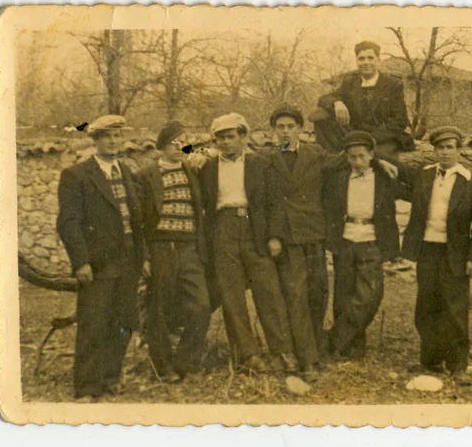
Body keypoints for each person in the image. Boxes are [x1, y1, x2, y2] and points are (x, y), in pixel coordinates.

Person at [199, 112, 298, 374]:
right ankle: (247, 354)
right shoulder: (207, 167)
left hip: (255, 229)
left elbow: (275, 202)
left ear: (243, 137)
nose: (226, 142)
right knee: (231, 295)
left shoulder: (260, 163)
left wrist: (275, 236)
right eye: (220, 138)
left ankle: (282, 351)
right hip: (223, 230)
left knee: (268, 290)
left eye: (231, 137)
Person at [57, 115, 145, 401]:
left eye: (118, 136)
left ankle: (110, 379)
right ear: (94, 140)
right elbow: (69, 223)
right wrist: (81, 261)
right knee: (94, 323)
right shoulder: (77, 175)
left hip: (128, 260)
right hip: (98, 263)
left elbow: (136, 219)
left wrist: (142, 258)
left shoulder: (127, 173)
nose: (113, 141)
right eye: (107, 136)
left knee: (123, 321)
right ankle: (86, 386)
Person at [399, 126, 472, 384]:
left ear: (458, 150)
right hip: (428, 249)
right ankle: (430, 361)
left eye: (450, 147)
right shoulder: (424, 175)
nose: (445, 153)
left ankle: (458, 365)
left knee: (455, 308)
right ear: (434, 150)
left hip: (456, 254)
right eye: (441, 147)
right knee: (426, 305)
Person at [138, 121, 211, 382]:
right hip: (161, 248)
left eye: (184, 142)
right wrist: (145, 256)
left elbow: (214, 155)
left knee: (202, 305)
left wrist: (202, 156)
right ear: (161, 147)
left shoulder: (192, 171)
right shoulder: (146, 175)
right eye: (174, 143)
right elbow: (139, 222)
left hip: (190, 247)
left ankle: (186, 362)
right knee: (159, 308)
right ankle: (163, 366)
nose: (181, 147)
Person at [265, 105, 331, 382]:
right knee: (296, 296)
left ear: (301, 130)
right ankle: (307, 360)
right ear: (273, 130)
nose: (285, 131)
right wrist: (273, 236)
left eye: (291, 126)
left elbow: (347, 160)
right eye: (280, 127)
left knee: (318, 293)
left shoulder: (315, 154)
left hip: (314, 234)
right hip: (287, 238)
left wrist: (382, 161)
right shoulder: (264, 159)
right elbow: (264, 203)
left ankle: (315, 349)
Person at [322, 131, 400, 360]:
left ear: (371, 155)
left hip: (372, 240)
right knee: (344, 294)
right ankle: (351, 348)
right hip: (345, 239)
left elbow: (411, 175)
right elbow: (326, 166)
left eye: (362, 157)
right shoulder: (338, 176)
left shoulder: (384, 175)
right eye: (352, 157)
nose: (357, 162)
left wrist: (379, 162)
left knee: (370, 295)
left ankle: (333, 339)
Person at [312, 41, 410, 159]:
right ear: (357, 61)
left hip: (382, 139)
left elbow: (400, 120)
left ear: (378, 60)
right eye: (361, 59)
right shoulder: (350, 83)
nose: (366, 62)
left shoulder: (393, 84)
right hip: (355, 136)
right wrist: (336, 102)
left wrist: (372, 138)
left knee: (376, 161)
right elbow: (324, 98)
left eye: (370, 58)